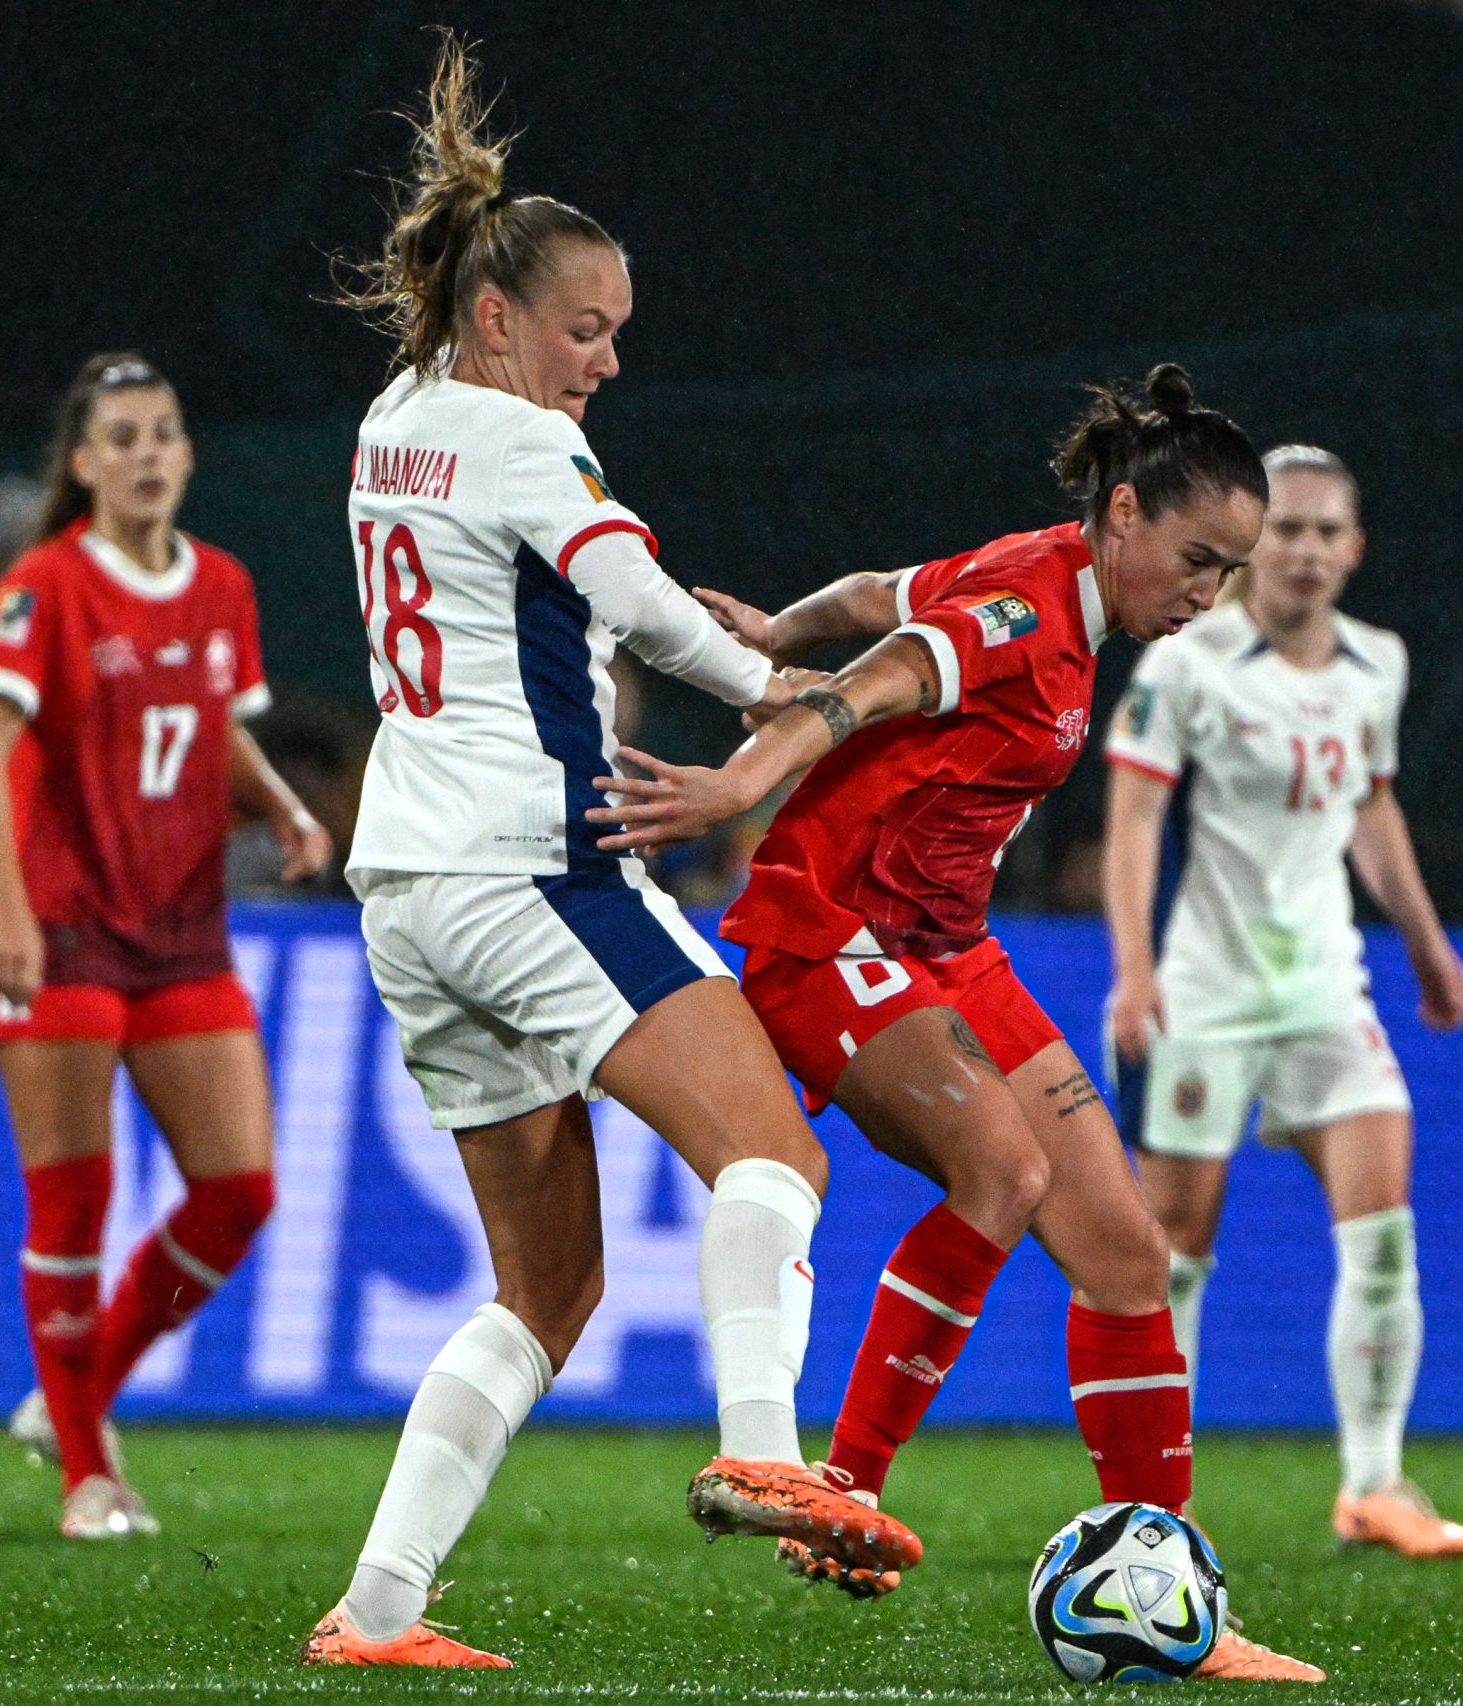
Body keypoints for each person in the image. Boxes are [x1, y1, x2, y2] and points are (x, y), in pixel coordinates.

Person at [302, 39, 917, 1671]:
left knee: (545, 1292)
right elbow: (641, 601)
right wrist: (787, 694)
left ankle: (377, 1614)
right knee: (776, 1159)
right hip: (529, 867)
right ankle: (765, 1445)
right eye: (588, 330)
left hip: (407, 891)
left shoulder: (392, 420)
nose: (607, 364)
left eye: (620, 335)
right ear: (498, 317)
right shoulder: (516, 437)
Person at [603, 365, 1322, 1683]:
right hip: (835, 923)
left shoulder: (1059, 573)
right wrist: (743, 772)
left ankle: (1176, 1587)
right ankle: (841, 1491)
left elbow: (880, 591)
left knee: (1124, 1251)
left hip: (944, 942)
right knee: (1004, 1170)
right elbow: (873, 678)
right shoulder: (1023, 614)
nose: (1207, 594)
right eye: (1198, 559)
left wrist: (777, 620)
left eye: (1228, 571)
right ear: (1121, 515)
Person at [0, 352, 332, 1541]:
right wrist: (3, 905)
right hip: (60, 928)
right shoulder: (45, 582)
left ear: (187, 452)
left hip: (178, 931)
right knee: (76, 1200)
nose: (148, 453)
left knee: (239, 1187)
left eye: (163, 433)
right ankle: (87, 1473)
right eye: (121, 437)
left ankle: (80, 1390)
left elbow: (208, 726)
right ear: (82, 462)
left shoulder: (222, 583)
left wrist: (276, 804)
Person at [1101, 445, 1463, 1560]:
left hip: (1324, 987)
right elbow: (1130, 822)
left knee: (1385, 1231)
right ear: (1253, 543)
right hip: (1206, 991)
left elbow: (1370, 809)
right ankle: (1158, 1492)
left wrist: (1427, 945)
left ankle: (1374, 1481)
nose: (1307, 550)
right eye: (1290, 530)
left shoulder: (1378, 664)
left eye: (1327, 531)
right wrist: (1134, 967)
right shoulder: (1188, 662)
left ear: (1353, 549)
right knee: (1175, 1250)